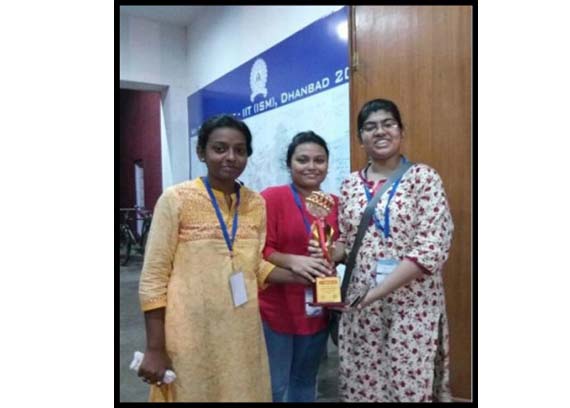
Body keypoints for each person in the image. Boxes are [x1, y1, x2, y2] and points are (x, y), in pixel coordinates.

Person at [137, 114, 313, 402]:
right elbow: (153, 278)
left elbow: (254, 266)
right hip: (189, 334)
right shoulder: (176, 199)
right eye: (220, 148)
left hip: (242, 334)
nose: (231, 157)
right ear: (202, 152)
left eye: (239, 150)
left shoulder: (255, 203)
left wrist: (304, 274)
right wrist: (155, 348)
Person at [309, 98, 454, 402]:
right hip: (361, 308)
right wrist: (329, 250)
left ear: (401, 131)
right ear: (360, 138)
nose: (380, 131)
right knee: (363, 385)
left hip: (412, 304)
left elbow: (431, 248)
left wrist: (376, 293)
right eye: (370, 127)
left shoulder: (423, 178)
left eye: (388, 124)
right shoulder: (350, 185)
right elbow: (348, 242)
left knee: (408, 386)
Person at [258, 131, 338, 402]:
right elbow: (260, 250)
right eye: (303, 160)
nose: (312, 166)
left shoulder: (334, 204)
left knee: (305, 381)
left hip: (319, 308)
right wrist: (293, 261)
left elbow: (342, 247)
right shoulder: (272, 198)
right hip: (277, 309)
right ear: (289, 163)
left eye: (319, 160)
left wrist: (338, 252)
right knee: (274, 385)